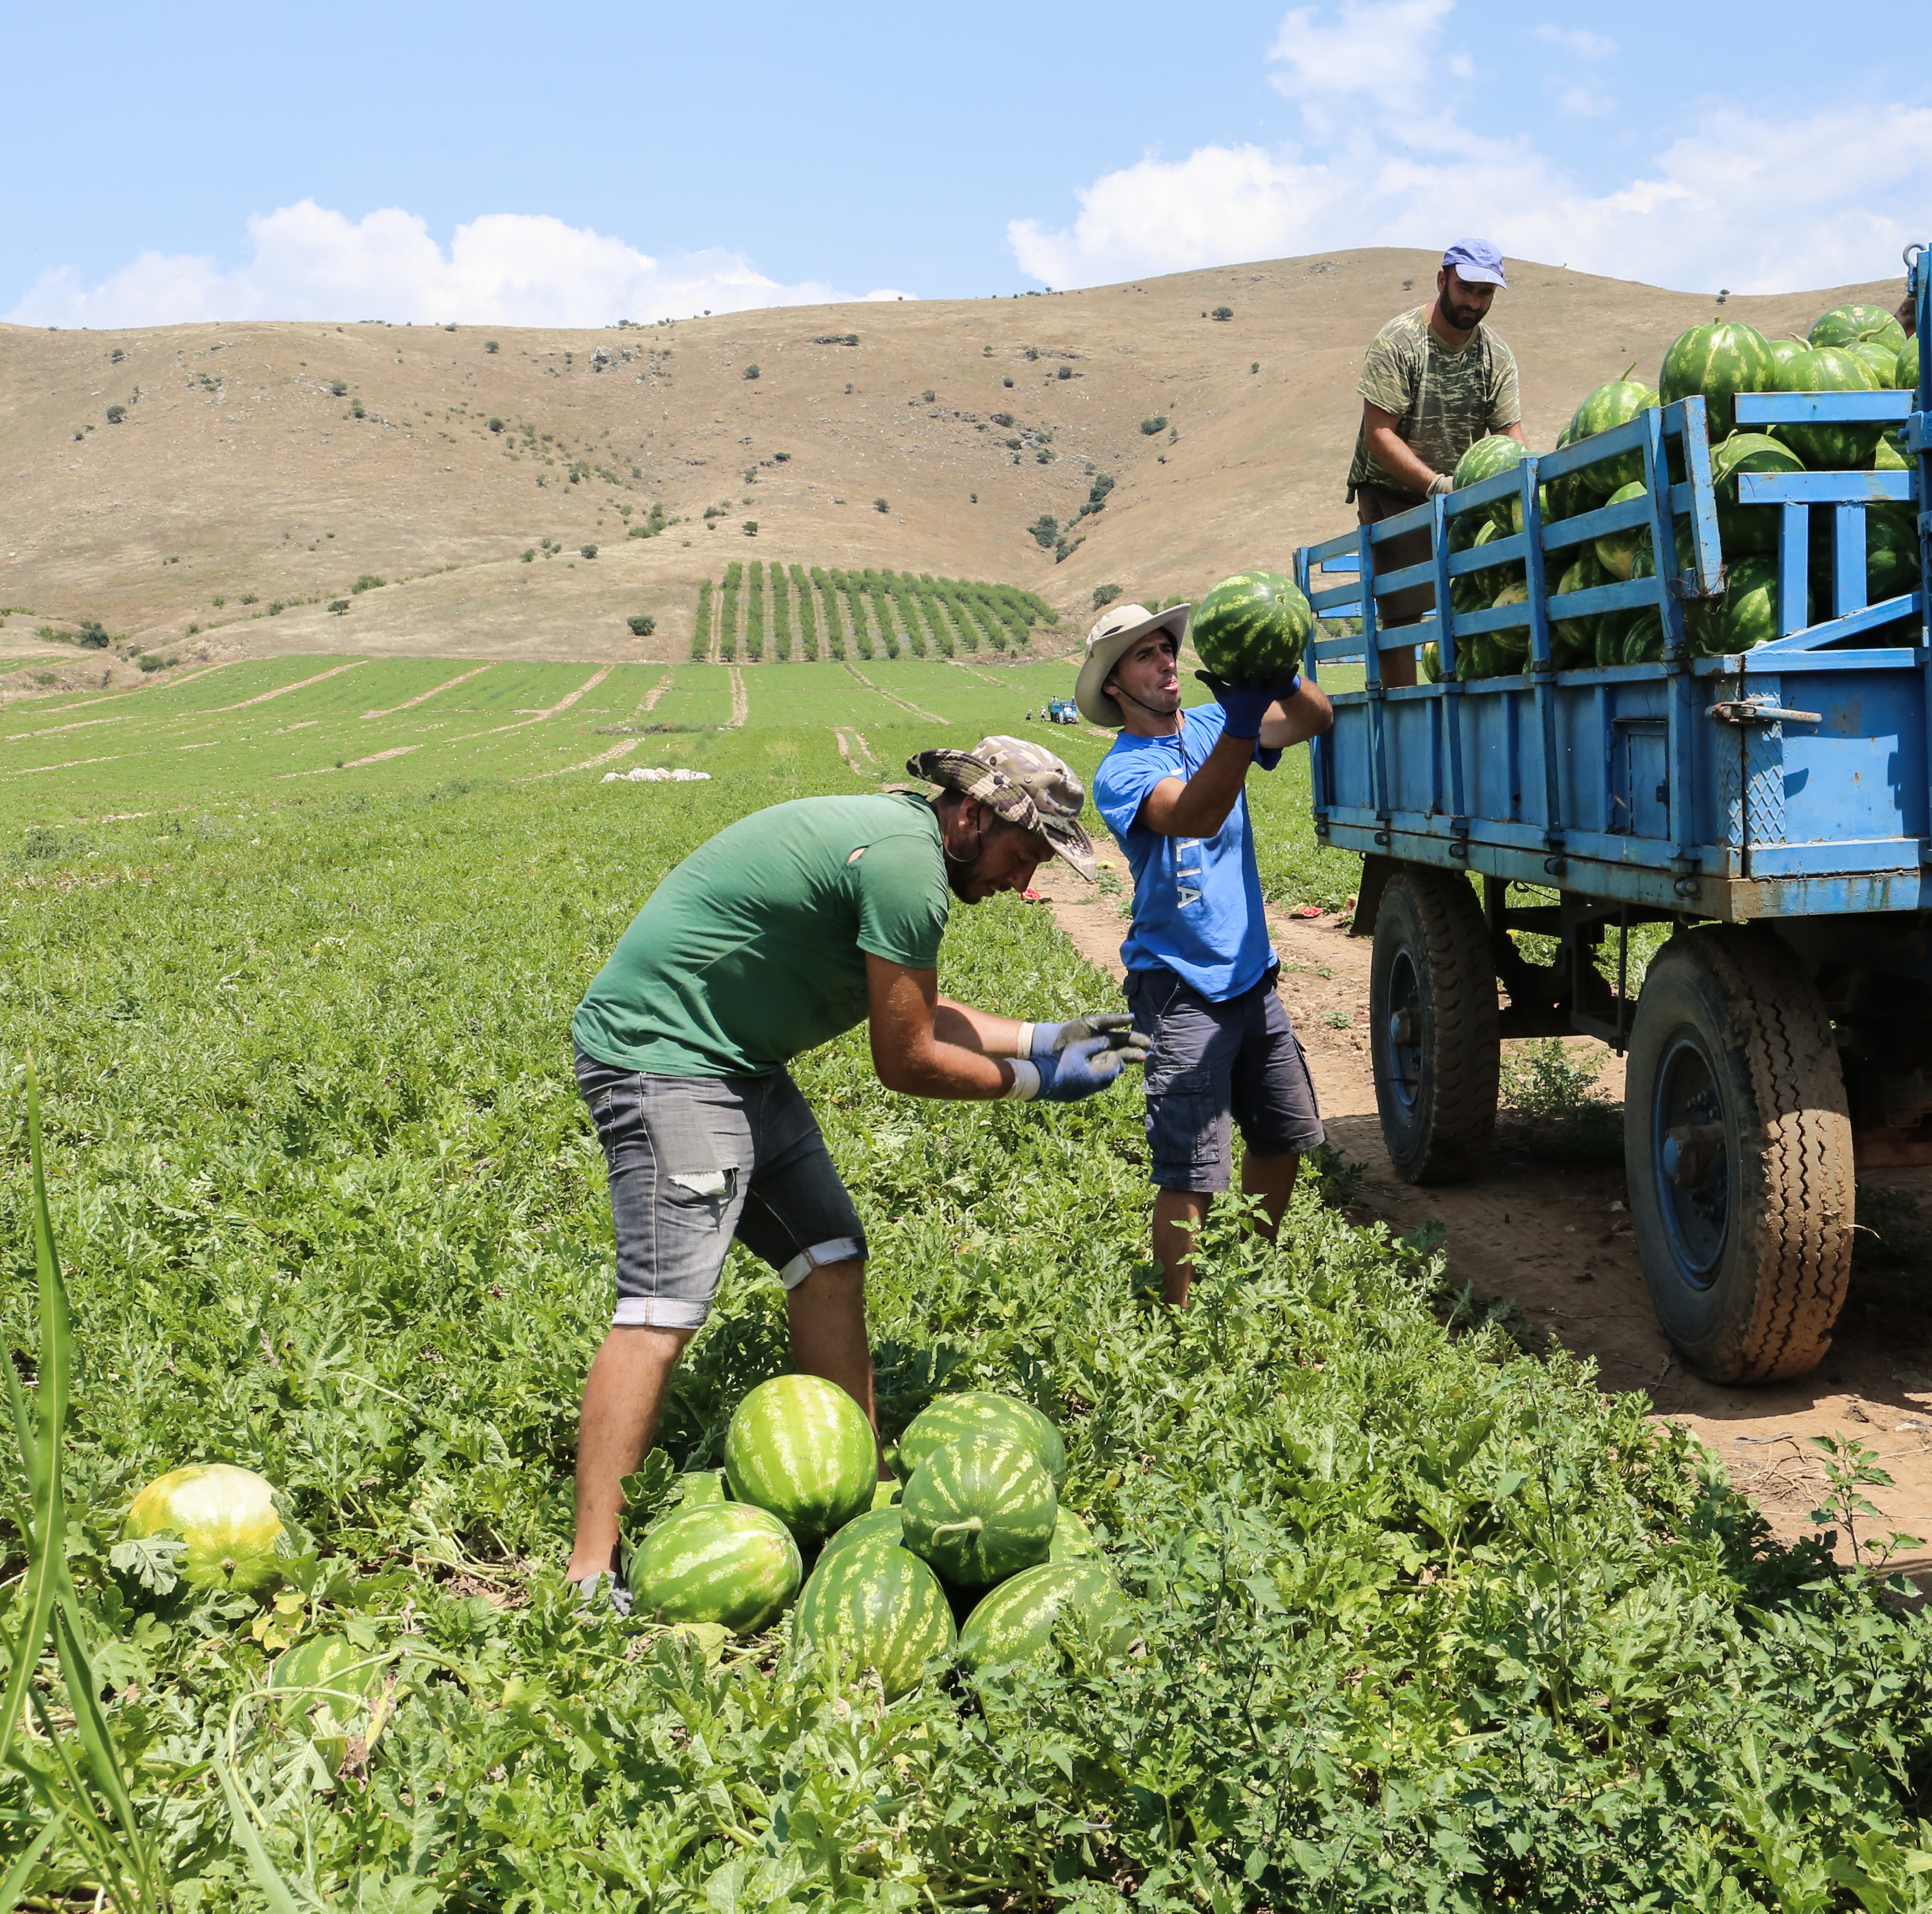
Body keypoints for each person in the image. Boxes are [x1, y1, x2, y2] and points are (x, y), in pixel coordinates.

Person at [561, 738, 1139, 1591]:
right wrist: (1031, 1083)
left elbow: (921, 1007)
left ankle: (853, 1497)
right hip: (665, 1061)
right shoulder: (906, 866)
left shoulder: (905, 845)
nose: (1023, 884)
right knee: (664, 1306)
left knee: (830, 1251)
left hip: (736, 1063)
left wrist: (1045, 1038)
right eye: (1023, 856)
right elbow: (905, 1058)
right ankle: (587, 1573)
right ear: (972, 817)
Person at [1077, 601, 1335, 1303]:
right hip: (1179, 985)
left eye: (1167, 649)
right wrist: (1245, 725)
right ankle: (1179, 1317)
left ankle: (1249, 1276)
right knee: (1190, 1166)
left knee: (1283, 1135)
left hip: (1252, 977)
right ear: (1113, 686)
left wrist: (1279, 675)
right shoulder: (1121, 770)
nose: (1165, 663)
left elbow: (1314, 719)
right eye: (1144, 655)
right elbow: (1193, 813)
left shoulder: (1218, 724)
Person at [1345, 236, 1527, 624]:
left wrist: (1525, 482)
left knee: (1474, 600)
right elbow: (1379, 435)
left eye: (1485, 293)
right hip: (1394, 492)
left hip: (1462, 496)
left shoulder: (1496, 355)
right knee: (1402, 612)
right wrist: (1436, 486)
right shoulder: (1400, 343)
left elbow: (1510, 436)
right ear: (1442, 281)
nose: (1474, 303)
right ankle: (1398, 689)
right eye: (1466, 289)